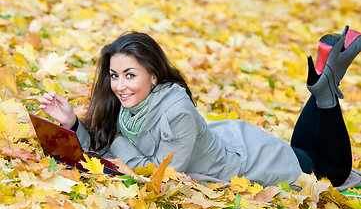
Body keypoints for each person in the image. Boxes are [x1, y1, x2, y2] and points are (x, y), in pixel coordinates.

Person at [39, 26, 361, 187]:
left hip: (255, 165)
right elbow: (100, 150)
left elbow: (161, 177)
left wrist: (117, 141)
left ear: (153, 76)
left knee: (334, 169)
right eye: (114, 75)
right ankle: (322, 83)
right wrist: (71, 124)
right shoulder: (128, 103)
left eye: (130, 75)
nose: (119, 85)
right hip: (238, 142)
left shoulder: (176, 110)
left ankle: (323, 90)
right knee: (303, 149)